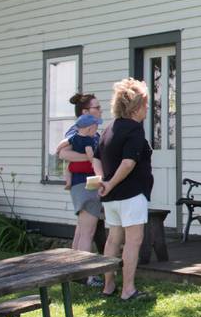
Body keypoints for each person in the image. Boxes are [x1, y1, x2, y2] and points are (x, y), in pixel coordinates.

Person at [92, 78, 153, 300]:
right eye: (146, 104)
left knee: (112, 240)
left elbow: (96, 158)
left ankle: (108, 287)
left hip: (111, 197)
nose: (147, 109)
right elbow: (129, 163)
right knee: (133, 241)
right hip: (131, 194)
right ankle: (128, 289)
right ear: (136, 107)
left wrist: (103, 181)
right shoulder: (135, 130)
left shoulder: (109, 128)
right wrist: (110, 182)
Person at [55, 92, 103, 287]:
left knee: (80, 231)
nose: (100, 110)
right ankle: (87, 275)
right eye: (97, 107)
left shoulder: (92, 132)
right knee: (88, 232)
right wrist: (92, 159)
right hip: (85, 183)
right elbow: (62, 153)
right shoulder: (77, 132)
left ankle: (72, 271)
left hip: (83, 183)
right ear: (85, 112)